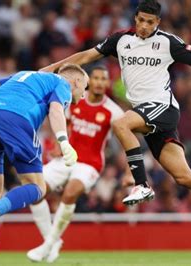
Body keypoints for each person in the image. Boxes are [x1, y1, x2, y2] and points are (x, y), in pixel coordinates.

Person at [40, 0, 191, 240]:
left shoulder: (167, 42)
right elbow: (86, 55)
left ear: (158, 23)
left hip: (163, 108)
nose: (144, 26)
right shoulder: (120, 40)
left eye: (150, 22)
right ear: (135, 18)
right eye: (141, 20)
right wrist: (52, 67)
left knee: (120, 123)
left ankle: (141, 184)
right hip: (146, 112)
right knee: (185, 177)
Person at [0, 64, 89, 266]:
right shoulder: (62, 83)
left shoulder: (24, 75)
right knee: (38, 187)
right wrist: (64, 141)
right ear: (76, 81)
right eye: (84, 87)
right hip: (15, 118)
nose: (83, 95)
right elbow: (56, 110)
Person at [26, 66, 124, 263]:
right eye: (95, 78)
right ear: (89, 80)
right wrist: (57, 145)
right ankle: (52, 242)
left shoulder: (113, 111)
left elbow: (126, 140)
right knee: (33, 190)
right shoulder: (75, 98)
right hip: (66, 158)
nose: (98, 82)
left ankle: (47, 245)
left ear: (107, 83)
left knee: (70, 193)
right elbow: (63, 121)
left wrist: (130, 172)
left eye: (102, 79)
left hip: (90, 163)